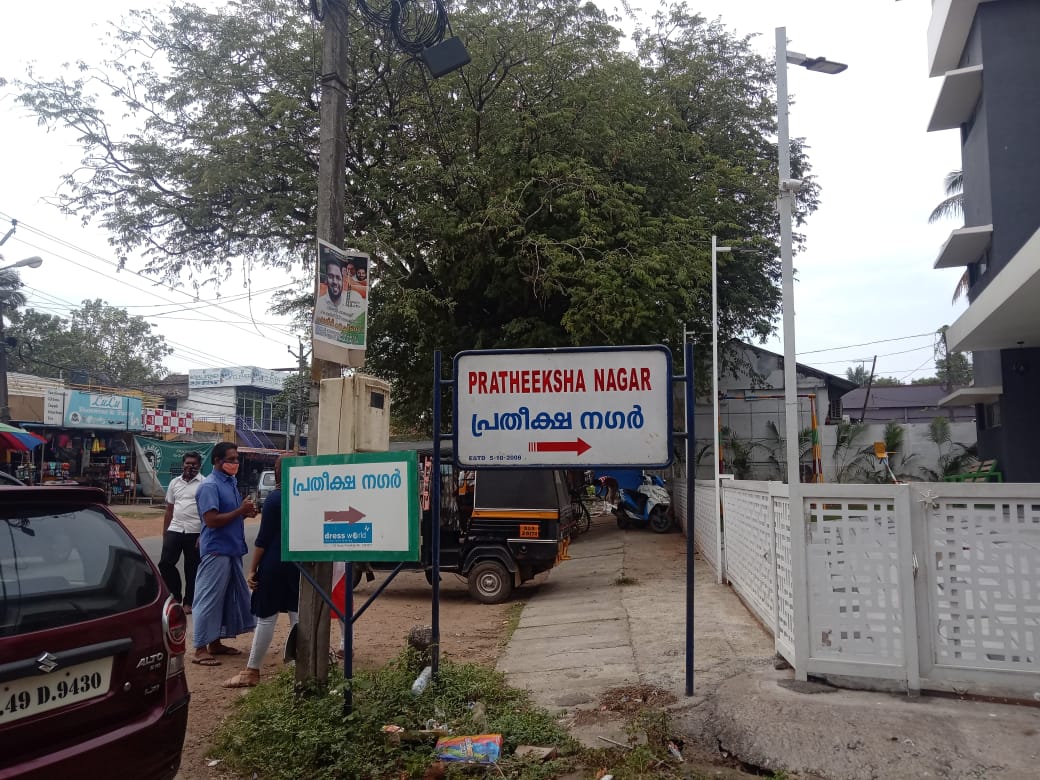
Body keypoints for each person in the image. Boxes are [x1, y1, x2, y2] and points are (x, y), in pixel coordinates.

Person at [222, 456, 300, 688]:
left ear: (278, 471)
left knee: (266, 616)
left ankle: (252, 670)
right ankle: (300, 667)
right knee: (298, 614)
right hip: (299, 564)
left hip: (274, 563)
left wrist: (252, 569)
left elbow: (263, 539)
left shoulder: (275, 498)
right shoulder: (303, 497)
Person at [191, 441, 258, 666]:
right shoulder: (209, 486)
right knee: (208, 598)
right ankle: (200, 648)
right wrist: (240, 511)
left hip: (231, 548)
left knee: (225, 598)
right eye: (231, 459)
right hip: (216, 550)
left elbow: (230, 515)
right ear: (217, 461)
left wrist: (245, 513)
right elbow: (211, 520)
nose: (235, 463)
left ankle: (215, 642)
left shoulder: (230, 483)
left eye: (237, 459)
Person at [158, 451, 204, 614]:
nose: (190, 466)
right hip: (175, 528)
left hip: (195, 531)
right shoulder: (174, 483)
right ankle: (175, 596)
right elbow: (169, 509)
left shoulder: (204, 484)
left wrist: (203, 534)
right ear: (183, 464)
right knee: (165, 564)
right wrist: (165, 532)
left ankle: (188, 602)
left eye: (194, 464)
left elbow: (207, 511)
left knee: (192, 569)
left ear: (199, 466)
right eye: (187, 463)